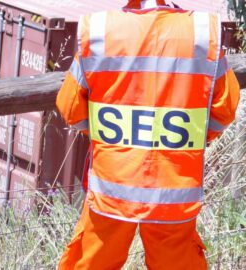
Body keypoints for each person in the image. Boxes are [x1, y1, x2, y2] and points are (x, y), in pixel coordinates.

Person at [55, 0, 240, 269]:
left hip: (112, 190)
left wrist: (104, 137)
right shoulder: (201, 31)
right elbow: (225, 108)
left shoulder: (99, 30)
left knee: (91, 262)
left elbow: (70, 107)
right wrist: (189, 138)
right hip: (174, 191)